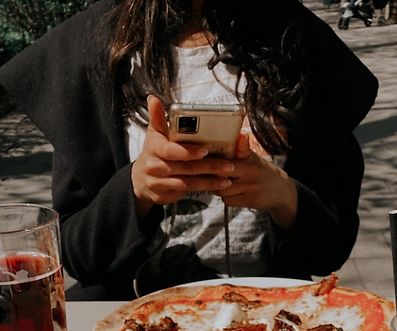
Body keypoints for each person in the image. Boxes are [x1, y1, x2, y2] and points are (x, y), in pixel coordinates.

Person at [0, 0, 378, 300]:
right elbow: (78, 255)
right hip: (132, 320)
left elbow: (331, 248)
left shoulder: (300, 43)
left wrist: (284, 196)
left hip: (272, 322)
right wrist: (136, 189)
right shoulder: (88, 51)